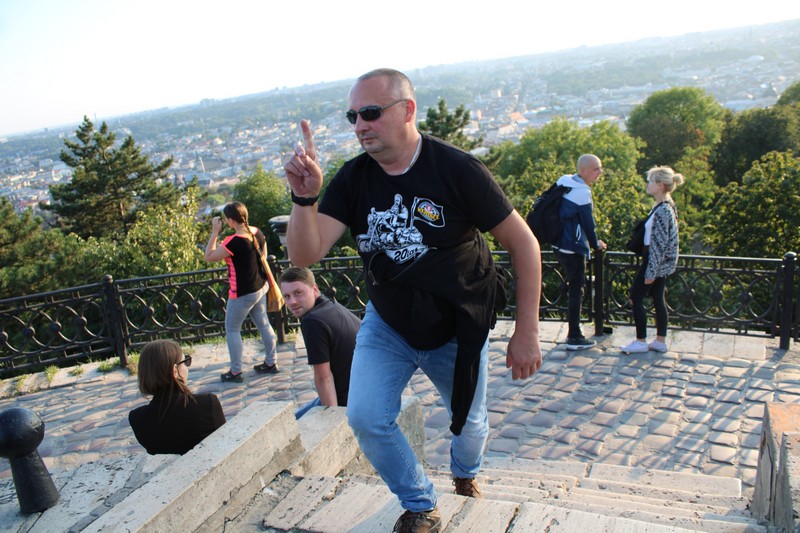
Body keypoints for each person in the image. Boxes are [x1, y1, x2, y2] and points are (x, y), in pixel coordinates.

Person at [284, 68, 543, 533]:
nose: (360, 125)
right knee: (366, 417)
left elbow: (524, 243)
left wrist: (527, 332)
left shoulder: (457, 169)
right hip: (389, 323)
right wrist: (305, 199)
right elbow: (305, 254)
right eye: (352, 116)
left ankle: (465, 473)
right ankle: (420, 502)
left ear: (407, 110)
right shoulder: (353, 179)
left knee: (470, 424)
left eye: (370, 112)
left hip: (458, 323)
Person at [205, 201, 278, 382]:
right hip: (260, 287)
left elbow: (209, 256)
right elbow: (263, 257)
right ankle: (271, 362)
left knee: (232, 329)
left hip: (242, 293)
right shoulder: (256, 232)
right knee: (264, 324)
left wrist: (215, 232)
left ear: (231, 220)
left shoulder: (233, 242)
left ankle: (236, 371)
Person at [279, 266, 361, 419]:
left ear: (315, 289)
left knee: (289, 425)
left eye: (298, 293)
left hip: (348, 402)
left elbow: (324, 378)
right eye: (287, 296)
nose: (292, 302)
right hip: (366, 392)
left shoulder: (313, 321)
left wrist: (332, 421)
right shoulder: (332, 305)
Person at [620, 166, 683, 354]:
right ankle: (660, 341)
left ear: (660, 185)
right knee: (657, 298)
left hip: (653, 260)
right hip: (657, 261)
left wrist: (651, 271)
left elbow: (659, 245)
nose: (647, 185)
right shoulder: (665, 206)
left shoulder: (663, 210)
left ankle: (641, 341)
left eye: (650, 181)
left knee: (636, 297)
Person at [128, 339, 225, 455]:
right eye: (185, 362)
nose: (187, 367)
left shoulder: (138, 420)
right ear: (175, 371)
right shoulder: (208, 404)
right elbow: (225, 444)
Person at [554, 154, 608, 350]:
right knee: (577, 291)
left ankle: (574, 332)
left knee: (575, 288)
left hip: (560, 243)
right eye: (596, 169)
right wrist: (595, 244)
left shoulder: (565, 182)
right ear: (583, 170)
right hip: (572, 247)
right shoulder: (581, 192)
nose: (599, 172)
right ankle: (574, 336)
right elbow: (588, 224)